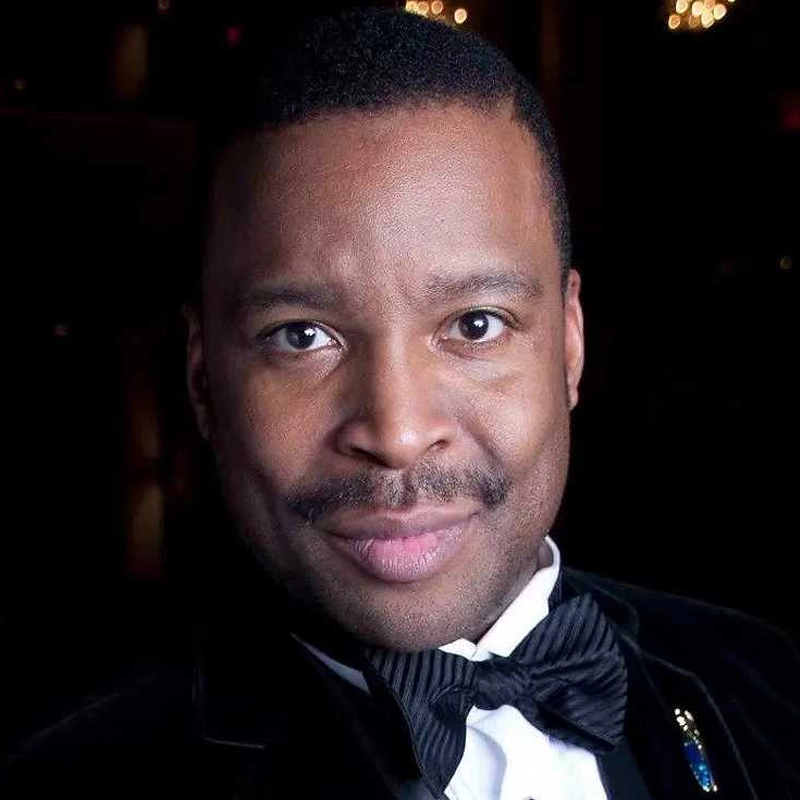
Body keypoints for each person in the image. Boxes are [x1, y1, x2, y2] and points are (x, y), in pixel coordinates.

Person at [2, 8, 798, 800]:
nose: (398, 431)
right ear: (203, 378)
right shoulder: (67, 775)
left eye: (475, 325)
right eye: (302, 336)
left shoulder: (769, 686)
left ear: (569, 345)